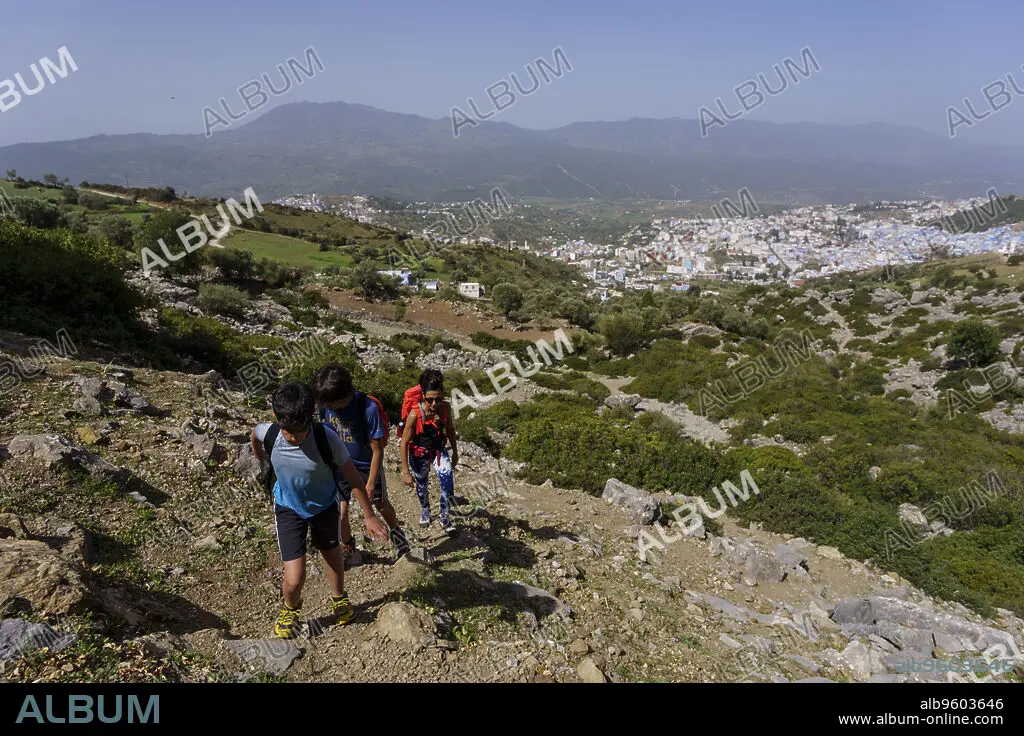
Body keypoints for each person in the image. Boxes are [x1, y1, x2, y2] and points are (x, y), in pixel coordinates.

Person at [251, 382, 388, 639]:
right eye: (289, 432)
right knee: (294, 578)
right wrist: (259, 455)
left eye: (300, 431)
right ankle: (290, 608)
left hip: (324, 507)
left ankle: (339, 597)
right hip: (288, 508)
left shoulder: (327, 438)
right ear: (277, 419)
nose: (295, 437)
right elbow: (255, 434)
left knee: (332, 554)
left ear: (310, 418)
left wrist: (369, 515)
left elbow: (353, 478)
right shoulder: (270, 433)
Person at [314, 364, 411, 562]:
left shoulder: (367, 409)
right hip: (340, 464)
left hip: (367, 466)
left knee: (380, 504)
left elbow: (377, 450)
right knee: (341, 512)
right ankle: (349, 548)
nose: (330, 408)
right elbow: (325, 428)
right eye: (327, 405)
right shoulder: (325, 404)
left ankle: (398, 535)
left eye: (333, 405)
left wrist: (371, 482)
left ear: (345, 395)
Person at [400, 369, 460, 536]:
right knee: (422, 485)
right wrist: (405, 472)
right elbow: (403, 444)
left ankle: (444, 517)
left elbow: (450, 429)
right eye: (430, 399)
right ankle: (425, 509)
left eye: (438, 398)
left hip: (439, 451)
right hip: (419, 455)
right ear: (423, 395)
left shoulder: (445, 408)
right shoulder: (415, 414)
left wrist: (455, 452)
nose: (434, 403)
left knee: (448, 484)